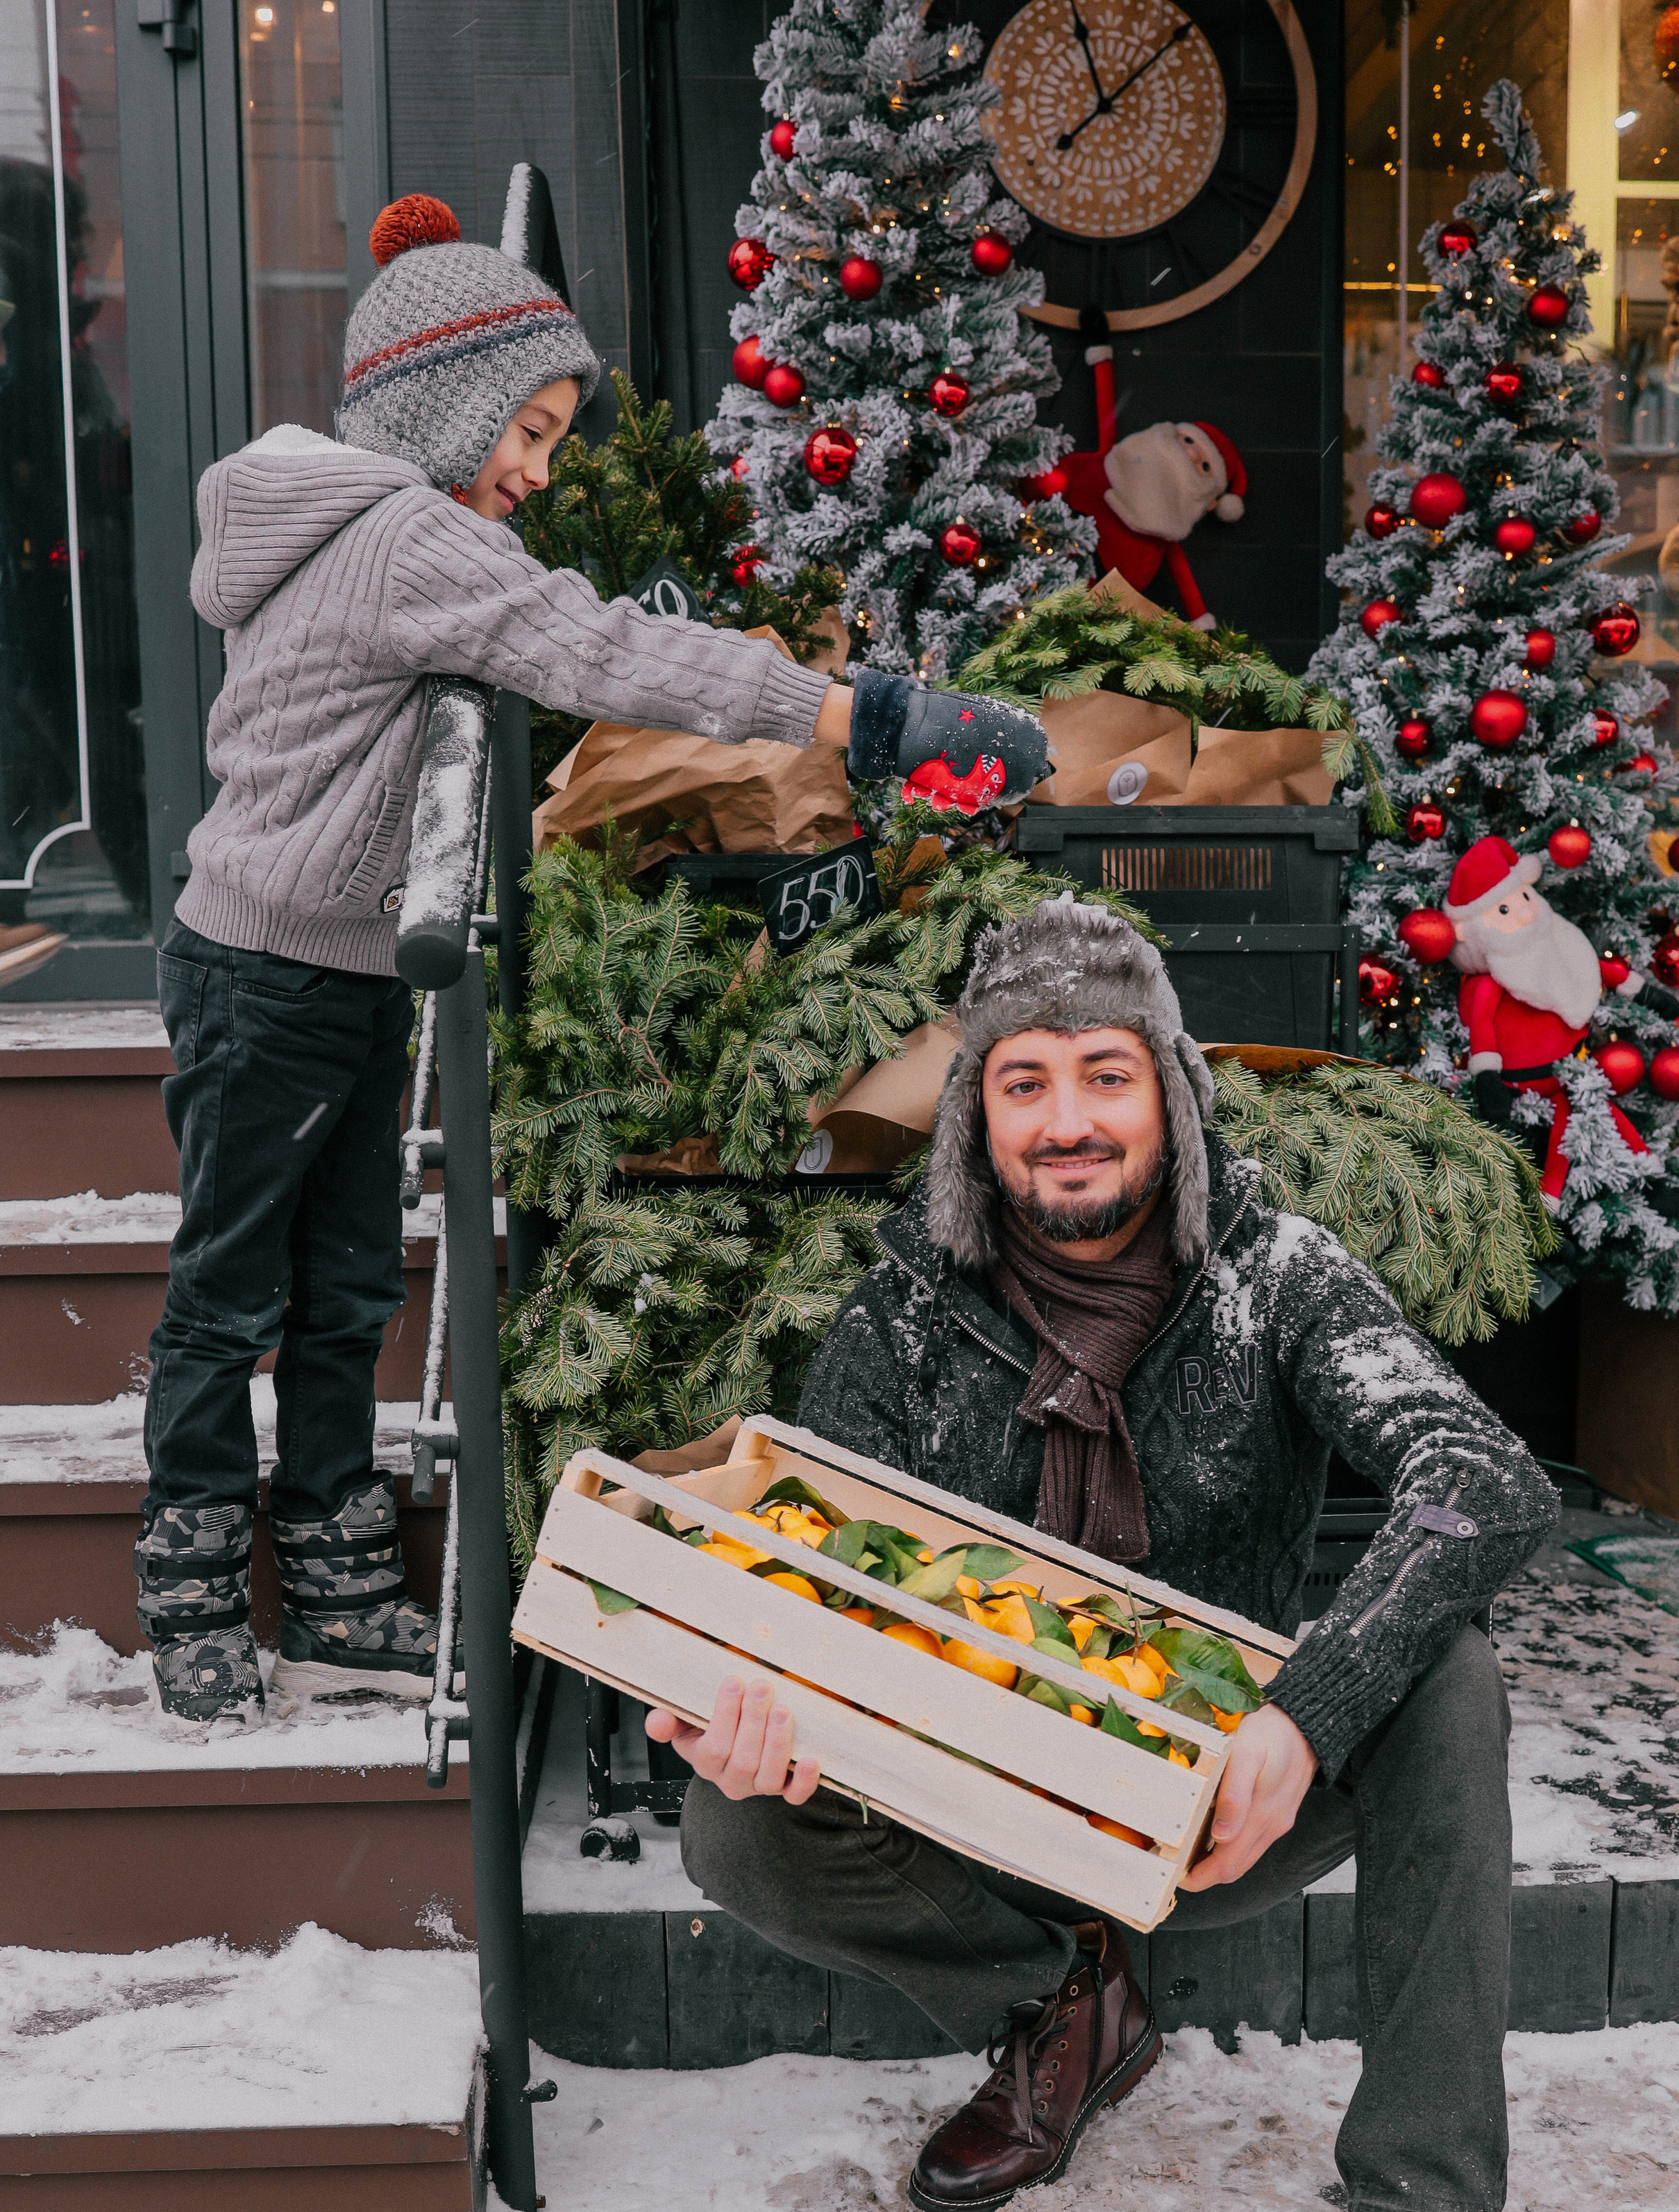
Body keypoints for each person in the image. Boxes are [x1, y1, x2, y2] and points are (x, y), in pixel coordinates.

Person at [651, 894, 1557, 2212]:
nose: (1064, 1117)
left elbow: (1476, 1474)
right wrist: (741, 1708)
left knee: (1445, 1688)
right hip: (980, 1822)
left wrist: (1305, 1712)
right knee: (732, 1832)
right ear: (975, 1120)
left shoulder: (1277, 1281)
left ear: (1169, 1095)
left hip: (1211, 1811)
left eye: (1102, 1074)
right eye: (1022, 1083)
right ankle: (1063, 2000)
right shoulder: (904, 1322)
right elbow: (798, 1589)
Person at [135, 192, 1045, 1722]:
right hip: (264, 976)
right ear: (447, 405)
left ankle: (341, 1572)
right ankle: (192, 1592)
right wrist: (864, 717)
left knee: (349, 1282)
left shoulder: (383, 528)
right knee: (233, 1296)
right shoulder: (405, 536)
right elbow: (606, 650)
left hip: (340, 969)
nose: (542, 472)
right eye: (532, 433)